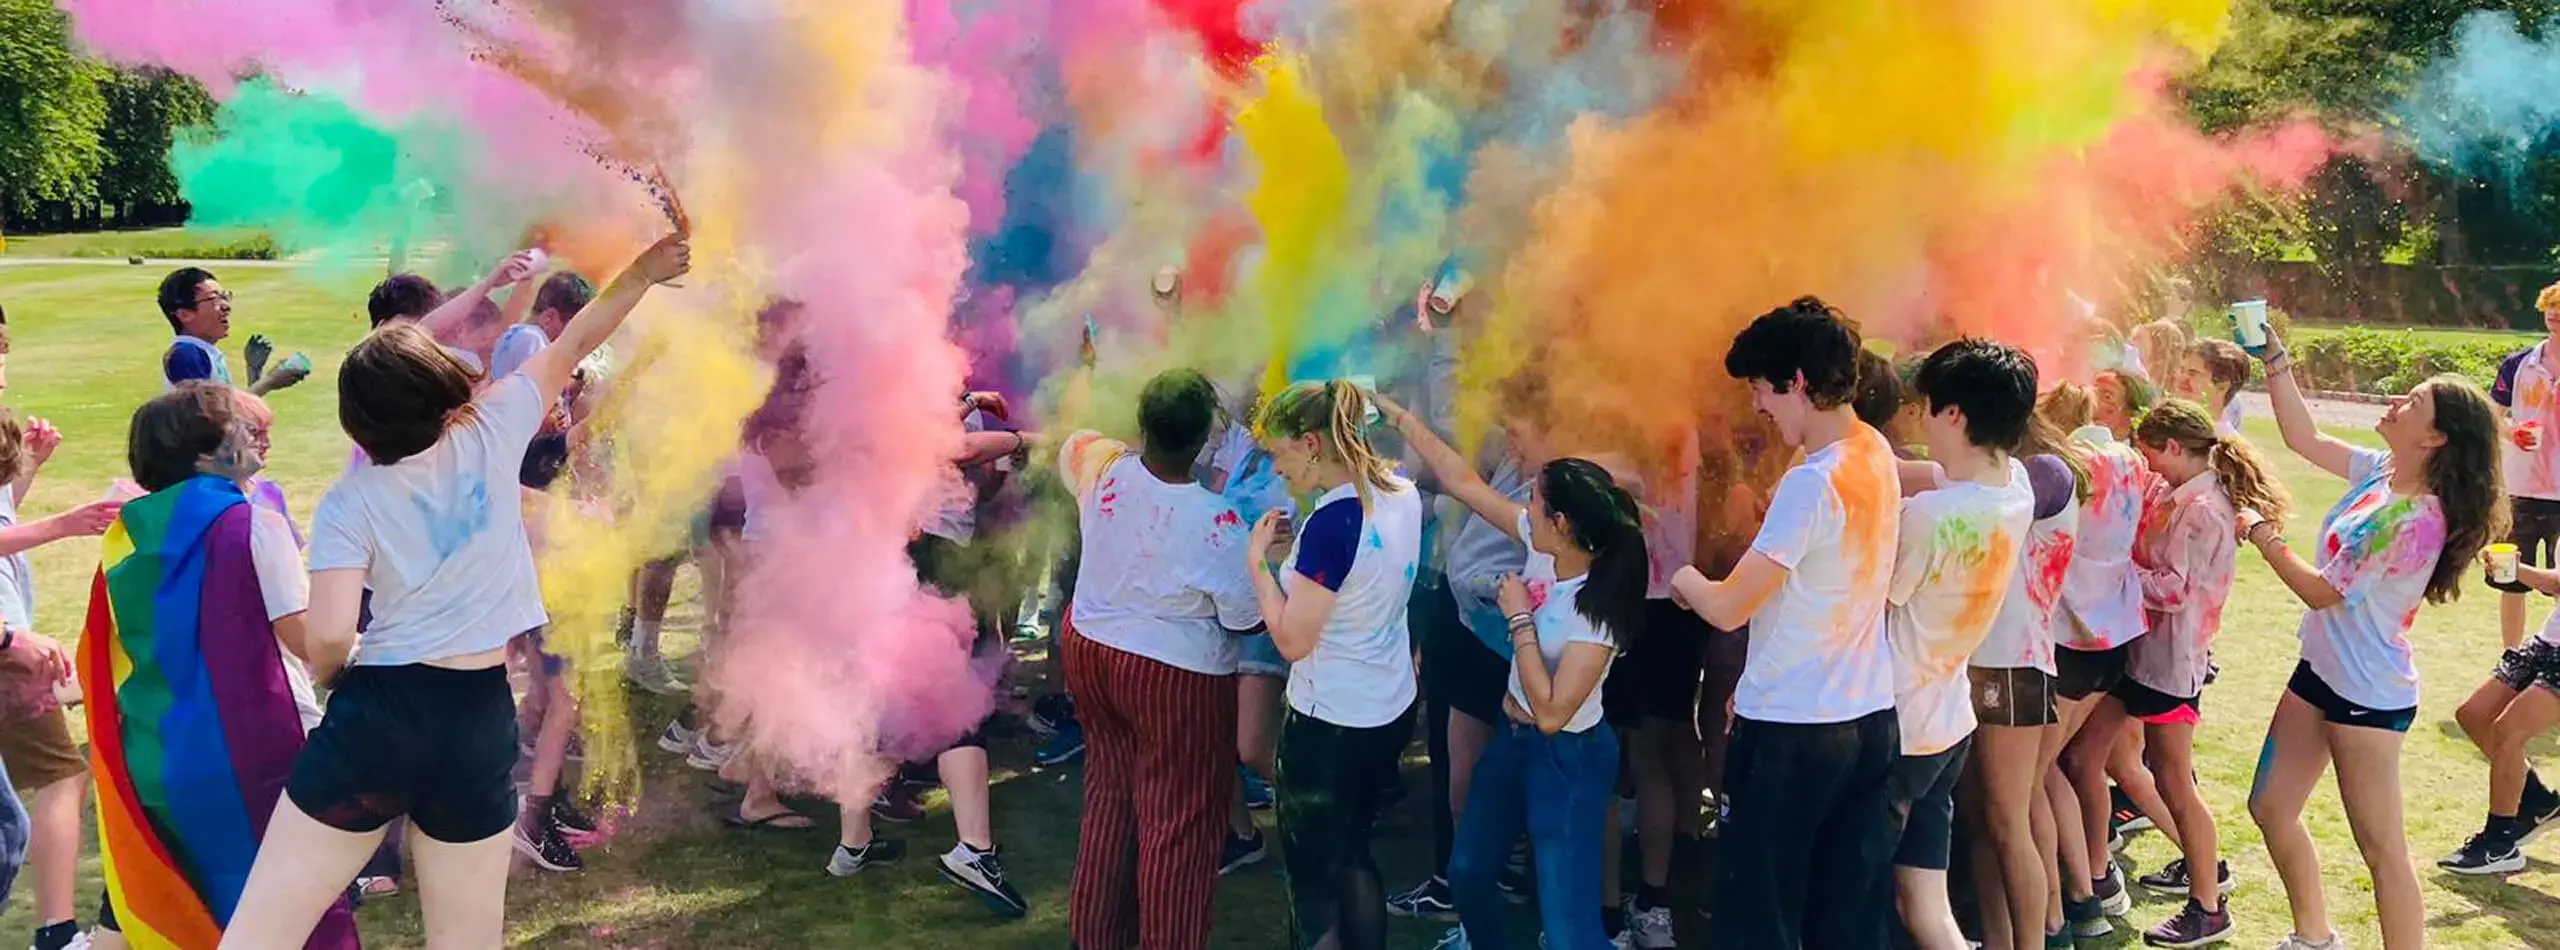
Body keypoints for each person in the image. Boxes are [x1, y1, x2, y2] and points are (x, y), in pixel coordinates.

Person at [217, 232, 689, 948]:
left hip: (380, 713)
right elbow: (579, 338)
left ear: (359, 418)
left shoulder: (350, 501)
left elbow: (331, 638)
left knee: (260, 934)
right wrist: (646, 270)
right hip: (477, 717)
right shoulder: (493, 430)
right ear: (439, 387)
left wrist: (336, 670)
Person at [2242, 329, 2501, 950]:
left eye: (2412, 403)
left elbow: (2322, 591)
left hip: (2367, 696)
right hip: (2321, 670)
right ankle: (2314, 937)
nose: (2395, 403)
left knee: (2382, 851)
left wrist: (2261, 533)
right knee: (2270, 805)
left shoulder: (2411, 518)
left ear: (2435, 438)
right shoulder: (2385, 474)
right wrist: (2275, 361)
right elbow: (2305, 439)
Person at [1665, 297, 1900, 949]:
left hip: (1793, 733)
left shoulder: (1812, 482)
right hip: (1868, 718)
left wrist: (1680, 577)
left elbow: (1728, 607)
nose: (1758, 406)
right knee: (1846, 921)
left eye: (1761, 390)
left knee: (1759, 918)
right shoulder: (1875, 450)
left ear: (1797, 381)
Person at [82, 383, 347, 948]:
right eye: (237, 425)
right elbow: (309, 642)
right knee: (283, 919)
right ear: (205, 454)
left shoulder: (125, 540)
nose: (253, 434)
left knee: (195, 919)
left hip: (156, 758)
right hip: (252, 756)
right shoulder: (253, 524)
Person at [1387, 388, 1647, 950]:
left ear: (1562, 524)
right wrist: (1403, 418)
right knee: (1468, 871)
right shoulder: (1543, 545)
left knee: (1568, 923)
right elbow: (1464, 483)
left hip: (1569, 759)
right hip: (1514, 741)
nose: (1523, 506)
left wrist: (1520, 617)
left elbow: (1552, 714)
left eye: (1533, 500)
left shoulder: (1595, 613)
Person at [1051, 369, 1265, 950]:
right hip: (1174, 675)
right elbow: (1246, 618)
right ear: (1203, 439)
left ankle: (1094, 937)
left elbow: (1073, 444)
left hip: (1093, 652)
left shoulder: (1103, 467)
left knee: (1109, 801)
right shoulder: (1217, 521)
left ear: (1143, 425)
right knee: (1179, 821)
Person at [1892, 343, 2078, 950]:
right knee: (1981, 825)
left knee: (2008, 821)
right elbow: (1940, 475)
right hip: (1972, 677)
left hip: (2000, 671)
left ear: (1957, 413)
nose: (1919, 417)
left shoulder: (2020, 485)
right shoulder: (2014, 481)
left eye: (1927, 405)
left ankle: (2041, 936)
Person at [1243, 380, 1422, 950]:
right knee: (1353, 852)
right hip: (1387, 707)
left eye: (1279, 453)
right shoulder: (1403, 491)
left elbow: (1293, 641)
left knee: (1314, 882)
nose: (1276, 469)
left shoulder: (1331, 525)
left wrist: (1259, 566)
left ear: (1312, 443)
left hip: (1329, 726)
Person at [2122, 399, 2290, 946]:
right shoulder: (2177, 492)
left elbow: (2176, 589)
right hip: (2146, 654)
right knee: (2099, 757)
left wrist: (2114, 577)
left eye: (2151, 454)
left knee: (2175, 781)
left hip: (2171, 663)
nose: (2147, 465)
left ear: (2174, 447)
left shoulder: (2203, 510)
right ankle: (2199, 870)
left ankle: (2208, 903)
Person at [0, 403, 119, 950]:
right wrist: (64, 525)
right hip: (8, 647)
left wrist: (27, 469)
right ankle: (55, 933)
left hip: (13, 638)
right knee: (59, 779)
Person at [2051, 378, 2162, 937]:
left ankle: (2079, 901)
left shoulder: (2063, 468)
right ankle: (2099, 875)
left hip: (2070, 637)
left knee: (2041, 772)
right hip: (2116, 636)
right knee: (2084, 765)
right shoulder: (2128, 458)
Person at [2444, 554, 2560, 875]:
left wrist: (2515, 569)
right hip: (2548, 642)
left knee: (2509, 732)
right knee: (2474, 714)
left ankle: (2499, 844)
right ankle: (2537, 801)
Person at [2489, 285, 2560, 651]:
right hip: (2519, 487)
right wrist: (2511, 432)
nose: (2554, 313)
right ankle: (2510, 656)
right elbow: (2492, 414)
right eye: (2550, 306)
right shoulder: (2517, 365)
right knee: (2510, 578)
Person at [155, 268, 306, 396]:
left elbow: (232, 413)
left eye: (225, 297)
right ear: (184, 315)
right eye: (214, 299)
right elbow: (211, 416)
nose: (226, 306)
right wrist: (269, 382)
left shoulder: (203, 352)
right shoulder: (187, 355)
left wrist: (254, 371)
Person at [2181, 339, 2253, 437]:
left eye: (2193, 373)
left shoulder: (2225, 443)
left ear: (2222, 386)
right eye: (2182, 370)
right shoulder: (2168, 429)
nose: (2181, 377)